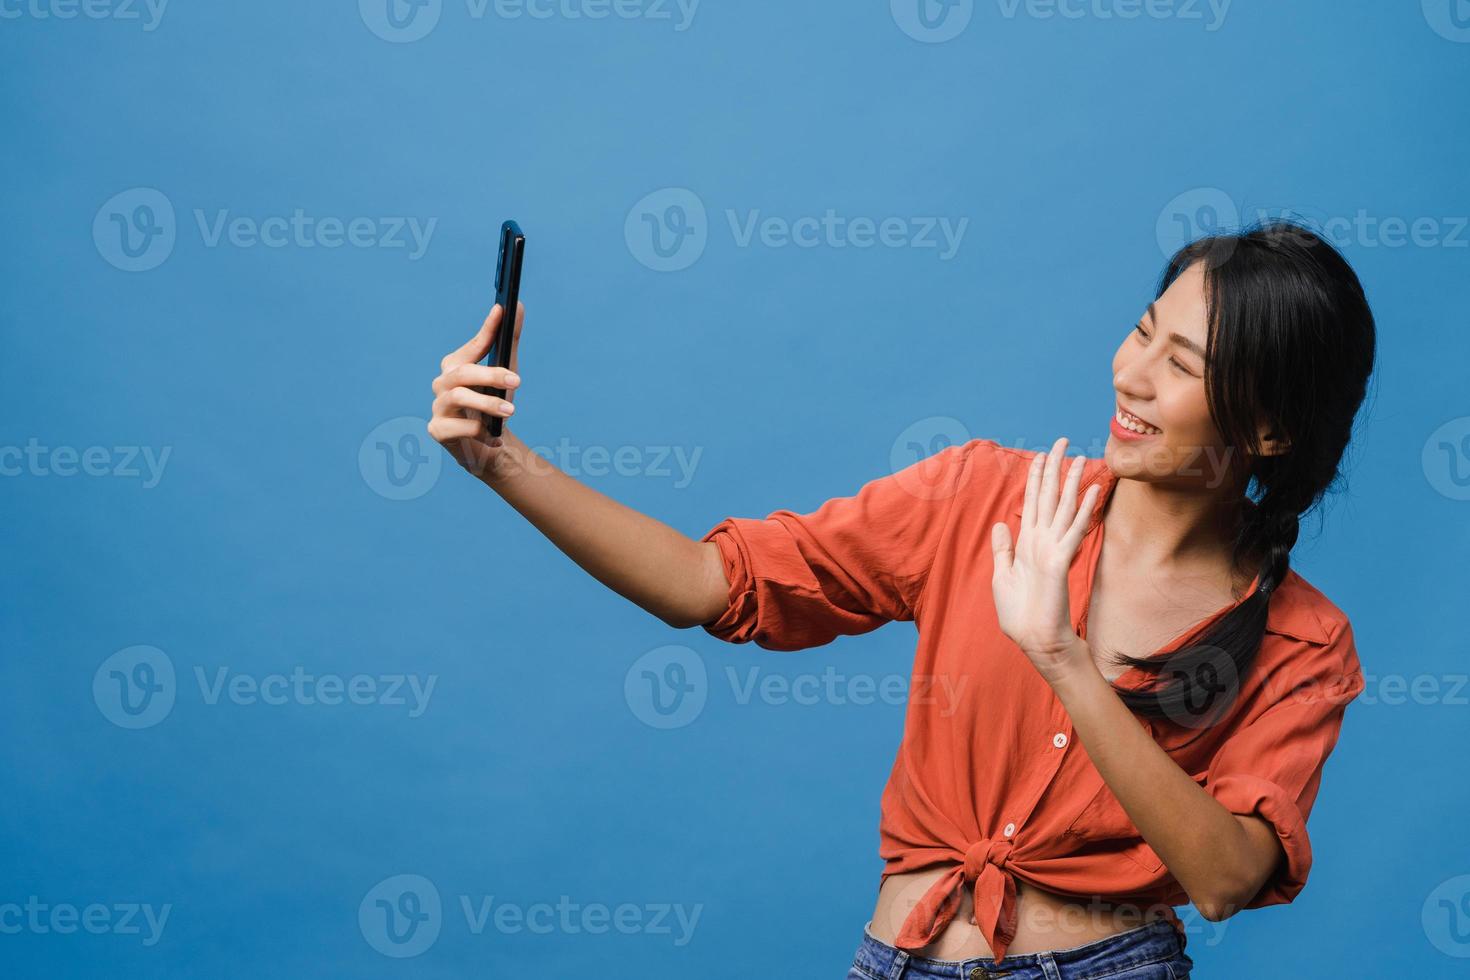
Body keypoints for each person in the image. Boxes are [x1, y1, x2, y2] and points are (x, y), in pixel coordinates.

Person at [427, 219, 1377, 978]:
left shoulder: (1304, 640)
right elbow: (713, 585)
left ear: (1268, 425)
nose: (1130, 375)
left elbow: (1225, 879)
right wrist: (500, 462)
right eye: (1141, 332)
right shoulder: (977, 499)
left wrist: (1063, 660)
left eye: (1181, 364)